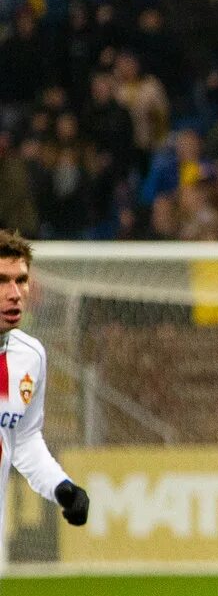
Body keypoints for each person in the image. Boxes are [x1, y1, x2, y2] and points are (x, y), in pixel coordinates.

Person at [0, 232, 93, 562]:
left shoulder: (31, 356)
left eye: (21, 281)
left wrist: (62, 488)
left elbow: (22, 440)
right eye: (2, 281)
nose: (14, 294)